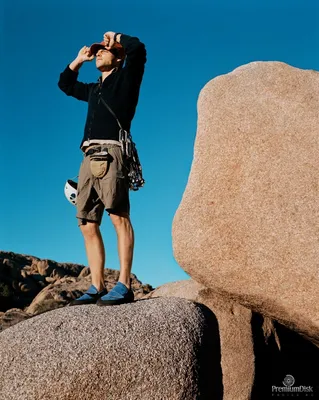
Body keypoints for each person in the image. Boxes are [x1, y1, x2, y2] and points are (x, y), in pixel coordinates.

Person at [58, 31, 146, 306]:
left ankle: (123, 284)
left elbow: (139, 50)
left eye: (104, 50)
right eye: (96, 50)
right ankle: (96, 286)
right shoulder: (94, 89)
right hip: (87, 157)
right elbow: (65, 84)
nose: (98, 52)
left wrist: (116, 37)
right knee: (86, 222)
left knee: (118, 217)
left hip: (112, 153)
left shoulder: (126, 80)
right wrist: (78, 60)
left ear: (118, 58)